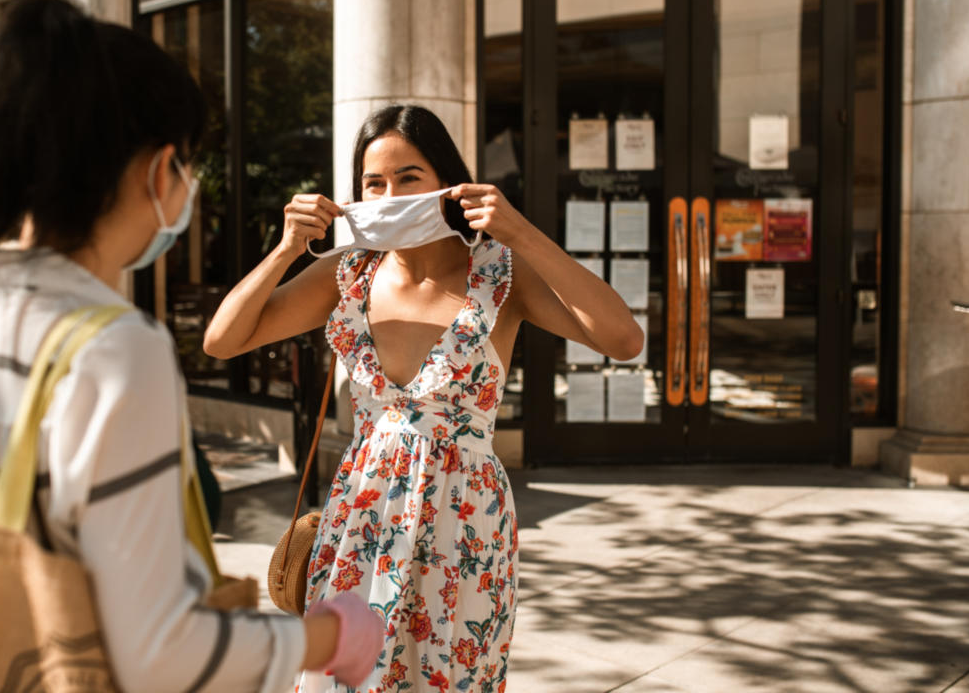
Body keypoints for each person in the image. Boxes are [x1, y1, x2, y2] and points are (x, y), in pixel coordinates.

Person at [0, 0, 382, 693]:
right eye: (186, 166)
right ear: (158, 170)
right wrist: (333, 635)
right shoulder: (118, 350)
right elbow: (162, 651)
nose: (186, 191)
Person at [203, 104, 644, 692]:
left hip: (463, 525)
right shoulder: (348, 274)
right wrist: (286, 249)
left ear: (448, 184)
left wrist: (519, 231)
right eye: (372, 182)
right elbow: (221, 341)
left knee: (447, 677)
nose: (389, 194)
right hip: (361, 515)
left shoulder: (499, 273)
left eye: (409, 178)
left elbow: (622, 338)